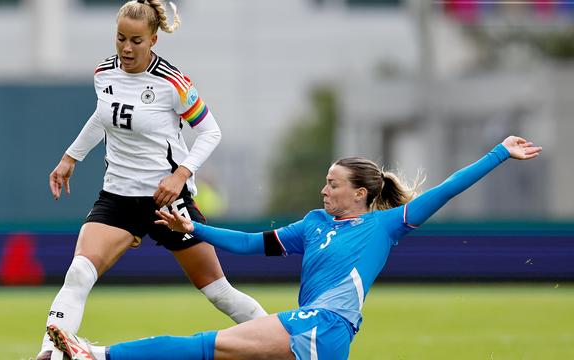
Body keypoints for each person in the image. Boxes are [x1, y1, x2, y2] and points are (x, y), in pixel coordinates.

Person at [44, 136, 542, 360]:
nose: (324, 191)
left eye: (332, 184)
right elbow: (250, 245)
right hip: (318, 334)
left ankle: (98, 355)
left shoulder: (386, 226)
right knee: (209, 349)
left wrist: (500, 153)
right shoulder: (313, 224)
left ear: (360, 194)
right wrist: (192, 229)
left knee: (206, 346)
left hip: (326, 324)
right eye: (324, 183)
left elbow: (448, 188)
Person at [36, 1, 268, 359]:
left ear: (154, 40)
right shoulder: (104, 73)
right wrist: (71, 157)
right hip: (117, 197)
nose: (127, 48)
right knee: (79, 272)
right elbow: (102, 117)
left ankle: (282, 345)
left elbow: (210, 131)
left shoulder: (171, 83)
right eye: (120, 39)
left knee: (219, 292)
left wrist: (181, 175)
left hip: (167, 202)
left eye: (136, 41)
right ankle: (50, 353)